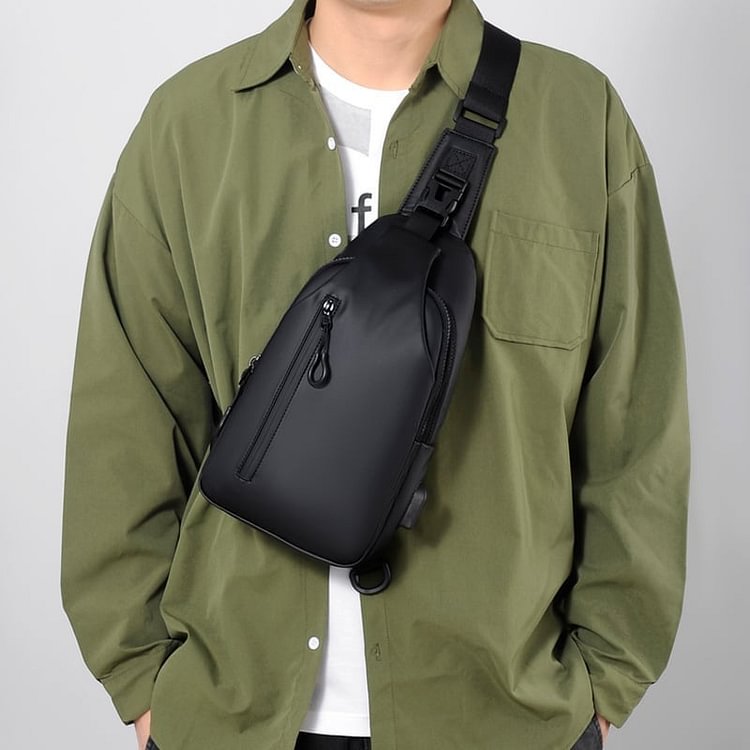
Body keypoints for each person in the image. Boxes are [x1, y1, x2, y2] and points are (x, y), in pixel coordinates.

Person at [60, 0, 690, 748]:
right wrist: (143, 681)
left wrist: (606, 679)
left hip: (506, 720)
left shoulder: (579, 120)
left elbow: (636, 424)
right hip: (233, 717)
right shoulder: (189, 125)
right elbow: (125, 423)